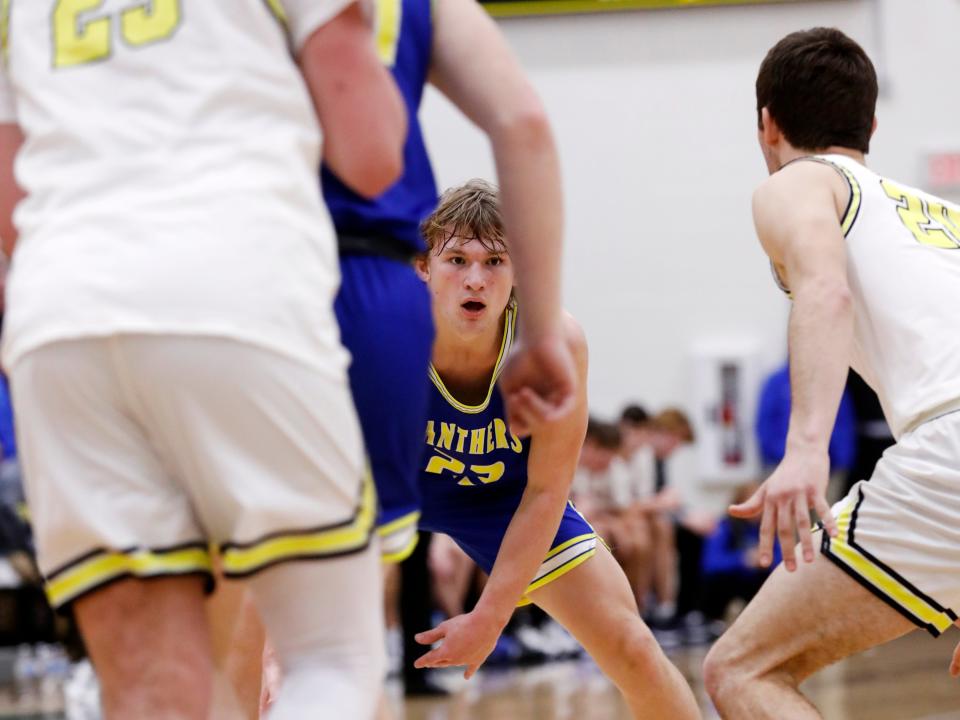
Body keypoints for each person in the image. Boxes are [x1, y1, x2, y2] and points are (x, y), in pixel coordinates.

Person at [0, 3, 408, 719]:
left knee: (152, 695)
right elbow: (372, 153)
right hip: (231, 285)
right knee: (331, 660)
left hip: (59, 311)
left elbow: (10, 198)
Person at [703, 27, 960, 719]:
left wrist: (804, 451)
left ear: (767, 123)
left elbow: (825, 290)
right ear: (871, 124)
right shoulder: (943, 215)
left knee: (742, 670)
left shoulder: (797, 183)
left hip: (949, 449)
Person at [412, 180, 699, 719]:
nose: (475, 278)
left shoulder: (554, 343)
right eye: (456, 259)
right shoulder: (386, 332)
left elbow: (547, 491)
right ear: (423, 266)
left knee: (634, 650)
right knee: (263, 638)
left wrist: (490, 617)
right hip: (391, 491)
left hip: (507, 500)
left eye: (495, 261)